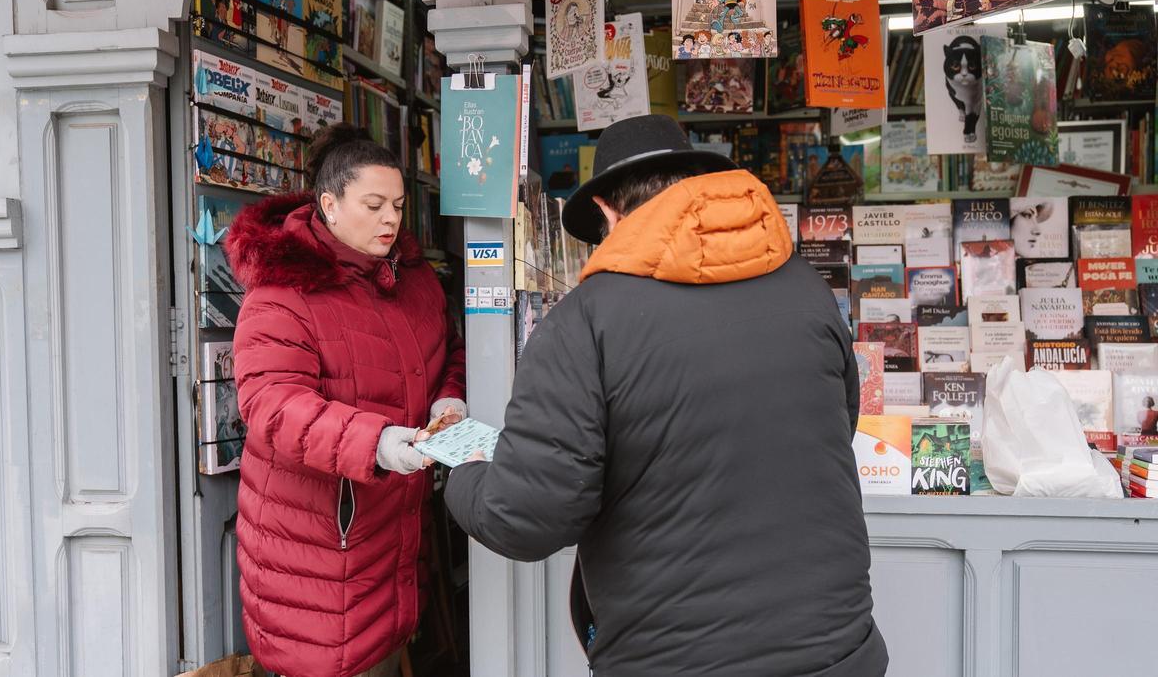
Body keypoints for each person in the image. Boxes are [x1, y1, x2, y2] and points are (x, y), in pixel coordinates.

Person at [445, 115, 888, 676]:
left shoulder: (584, 322)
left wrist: (463, 473)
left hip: (677, 658)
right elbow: (839, 423)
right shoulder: (807, 289)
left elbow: (526, 516)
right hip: (840, 649)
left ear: (607, 211)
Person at [227, 123, 466, 677]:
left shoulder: (413, 279)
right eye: (374, 205)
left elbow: (449, 350)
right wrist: (376, 442)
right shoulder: (283, 291)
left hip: (390, 541)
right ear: (329, 205)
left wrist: (447, 402)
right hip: (316, 550)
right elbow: (273, 406)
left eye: (398, 206)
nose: (391, 220)